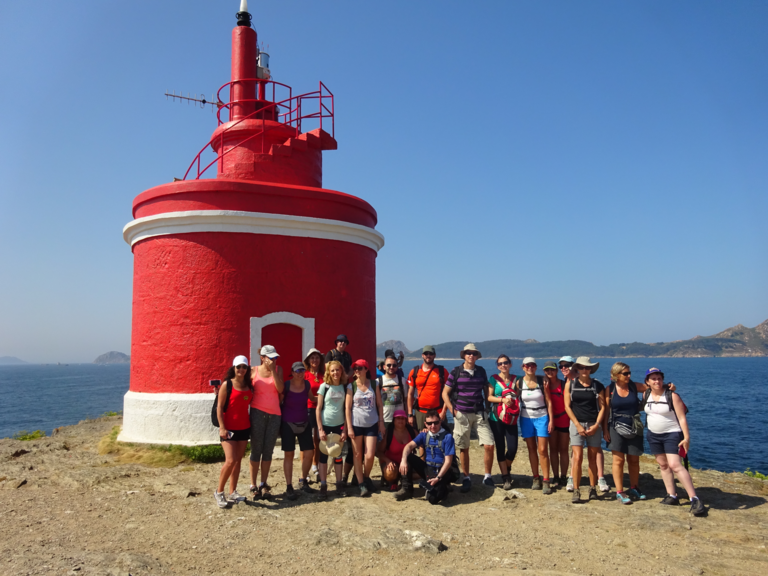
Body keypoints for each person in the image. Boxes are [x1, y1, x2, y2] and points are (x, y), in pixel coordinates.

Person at [643, 368, 704, 515]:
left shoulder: (672, 396)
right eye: (653, 379)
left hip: (672, 434)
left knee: (675, 465)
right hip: (653, 435)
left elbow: (682, 418)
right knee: (663, 465)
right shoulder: (646, 395)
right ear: (648, 382)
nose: (657, 381)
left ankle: (694, 499)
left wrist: (686, 438)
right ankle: (672, 495)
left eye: (659, 378)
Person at [442, 343, 495, 492]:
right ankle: (466, 477)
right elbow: (445, 393)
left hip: (479, 412)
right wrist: (454, 412)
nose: (471, 355)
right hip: (461, 414)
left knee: (489, 444)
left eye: (474, 353)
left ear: (477, 356)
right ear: (464, 355)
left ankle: (488, 476)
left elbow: (486, 387)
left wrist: (488, 405)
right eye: (468, 353)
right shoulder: (456, 372)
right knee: (464, 447)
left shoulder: (481, 371)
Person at [564, 356, 606, 504]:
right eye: (581, 367)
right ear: (577, 369)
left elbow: (603, 408)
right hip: (577, 424)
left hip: (593, 424)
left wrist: (596, 425)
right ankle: (576, 490)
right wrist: (577, 425)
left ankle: (592, 488)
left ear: (591, 369)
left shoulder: (598, 386)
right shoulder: (570, 385)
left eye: (587, 367)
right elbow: (567, 406)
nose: (584, 370)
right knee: (577, 457)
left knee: (593, 458)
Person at [605, 362, 647, 504]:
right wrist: (605, 429)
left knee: (634, 459)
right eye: (625, 374)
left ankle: (634, 487)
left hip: (634, 425)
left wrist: (669, 387)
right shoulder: (610, 389)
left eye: (629, 373)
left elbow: (652, 387)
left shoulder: (634, 386)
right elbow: (605, 410)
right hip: (615, 427)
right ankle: (619, 491)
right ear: (616, 375)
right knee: (619, 460)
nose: (628, 376)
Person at [214, 355, 253, 508]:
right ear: (233, 368)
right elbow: (219, 406)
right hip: (228, 429)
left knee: (237, 461)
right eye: (238, 367)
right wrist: (222, 427)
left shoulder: (249, 385)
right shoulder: (227, 384)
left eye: (244, 367)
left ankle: (233, 491)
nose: (241, 370)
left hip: (244, 427)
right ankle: (219, 492)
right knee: (230, 461)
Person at [396, 409, 457, 504]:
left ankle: (444, 487)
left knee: (432, 499)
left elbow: (448, 461)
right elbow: (408, 446)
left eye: (436, 423)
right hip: (428, 468)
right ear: (425, 424)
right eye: (429, 423)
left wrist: (438, 478)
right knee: (408, 456)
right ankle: (407, 489)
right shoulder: (424, 435)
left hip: (442, 470)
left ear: (440, 422)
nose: (433, 426)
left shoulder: (448, 437)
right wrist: (403, 460)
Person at [248, 345, 284, 500]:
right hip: (257, 413)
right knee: (256, 449)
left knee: (268, 450)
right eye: (270, 357)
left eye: (274, 357)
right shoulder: (253, 371)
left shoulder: (279, 369)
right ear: (262, 358)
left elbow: (280, 389)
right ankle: (253, 484)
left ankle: (263, 482)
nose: (273, 360)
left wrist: (274, 371)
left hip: (274, 414)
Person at [346, 359, 385, 496]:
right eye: (355, 368)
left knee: (369, 456)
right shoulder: (351, 386)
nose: (357, 370)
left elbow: (380, 405)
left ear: (366, 369)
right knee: (357, 455)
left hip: (372, 424)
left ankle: (366, 477)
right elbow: (347, 408)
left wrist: (381, 422)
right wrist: (349, 427)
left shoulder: (374, 384)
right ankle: (361, 483)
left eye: (360, 368)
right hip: (356, 424)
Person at [515, 358, 554, 494]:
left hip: (542, 417)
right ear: (523, 367)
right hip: (526, 418)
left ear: (535, 367)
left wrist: (551, 420)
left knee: (543, 449)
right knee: (531, 448)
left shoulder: (542, 382)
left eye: (532, 365)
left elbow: (549, 402)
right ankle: (536, 477)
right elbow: (514, 398)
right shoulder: (519, 382)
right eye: (527, 365)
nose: (530, 367)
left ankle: (546, 480)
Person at [281, 362, 317, 500]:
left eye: (302, 370)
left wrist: (328, 397)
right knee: (289, 455)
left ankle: (303, 480)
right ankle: (289, 486)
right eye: (297, 371)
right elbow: (279, 400)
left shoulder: (307, 384)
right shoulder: (287, 385)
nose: (300, 373)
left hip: (304, 422)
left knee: (309, 452)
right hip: (288, 423)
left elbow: (312, 398)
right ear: (292, 372)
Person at [315, 360, 348, 500]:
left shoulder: (345, 388)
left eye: (338, 370)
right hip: (326, 425)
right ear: (329, 372)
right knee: (323, 456)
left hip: (339, 425)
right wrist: (320, 429)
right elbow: (318, 408)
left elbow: (347, 410)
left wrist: (345, 429)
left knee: (338, 455)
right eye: (333, 370)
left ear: (341, 371)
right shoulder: (324, 387)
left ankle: (339, 483)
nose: (335, 373)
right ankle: (323, 485)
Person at [486, 354, 519, 490]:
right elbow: (489, 397)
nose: (503, 365)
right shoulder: (493, 379)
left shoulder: (516, 379)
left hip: (511, 418)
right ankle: (506, 477)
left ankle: (507, 465)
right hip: (496, 418)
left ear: (510, 364)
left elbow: (521, 392)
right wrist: (502, 400)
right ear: (497, 366)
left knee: (512, 448)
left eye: (505, 363)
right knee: (500, 446)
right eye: (500, 364)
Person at [407, 345, 448, 431]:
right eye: (426, 353)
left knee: (441, 438)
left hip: (438, 411)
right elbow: (410, 394)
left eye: (430, 353)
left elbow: (448, 393)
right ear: (422, 355)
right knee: (421, 438)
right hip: (420, 412)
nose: (428, 355)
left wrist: (444, 411)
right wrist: (410, 414)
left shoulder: (442, 371)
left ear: (434, 355)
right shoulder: (414, 372)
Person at [543, 361, 570, 489]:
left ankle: (564, 475)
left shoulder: (564, 385)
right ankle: (556, 476)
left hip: (564, 419)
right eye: (547, 370)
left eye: (552, 370)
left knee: (564, 449)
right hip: (550, 421)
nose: (550, 372)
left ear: (556, 371)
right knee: (553, 449)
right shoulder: (543, 385)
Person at [377, 410, 418, 492]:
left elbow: (423, 444)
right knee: (390, 473)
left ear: (406, 420)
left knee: (422, 473)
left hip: (407, 464)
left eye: (403, 418)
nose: (400, 420)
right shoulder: (389, 433)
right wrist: (387, 461)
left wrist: (425, 431)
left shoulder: (412, 432)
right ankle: (392, 481)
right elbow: (379, 452)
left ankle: (402, 478)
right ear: (394, 420)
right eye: (398, 418)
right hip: (392, 463)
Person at [303, 348, 325, 479]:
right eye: (312, 358)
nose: (315, 360)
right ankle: (305, 469)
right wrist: (318, 398)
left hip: (322, 410)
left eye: (317, 357)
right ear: (308, 360)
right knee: (307, 440)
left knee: (317, 439)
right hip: (308, 409)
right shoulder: (305, 374)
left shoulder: (324, 375)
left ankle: (315, 465)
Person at [378, 354, 406, 424]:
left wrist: (408, 416)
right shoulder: (378, 382)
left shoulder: (402, 380)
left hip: (400, 419)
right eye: (388, 365)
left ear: (397, 367)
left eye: (394, 365)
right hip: (385, 420)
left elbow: (406, 399)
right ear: (384, 367)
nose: (391, 367)